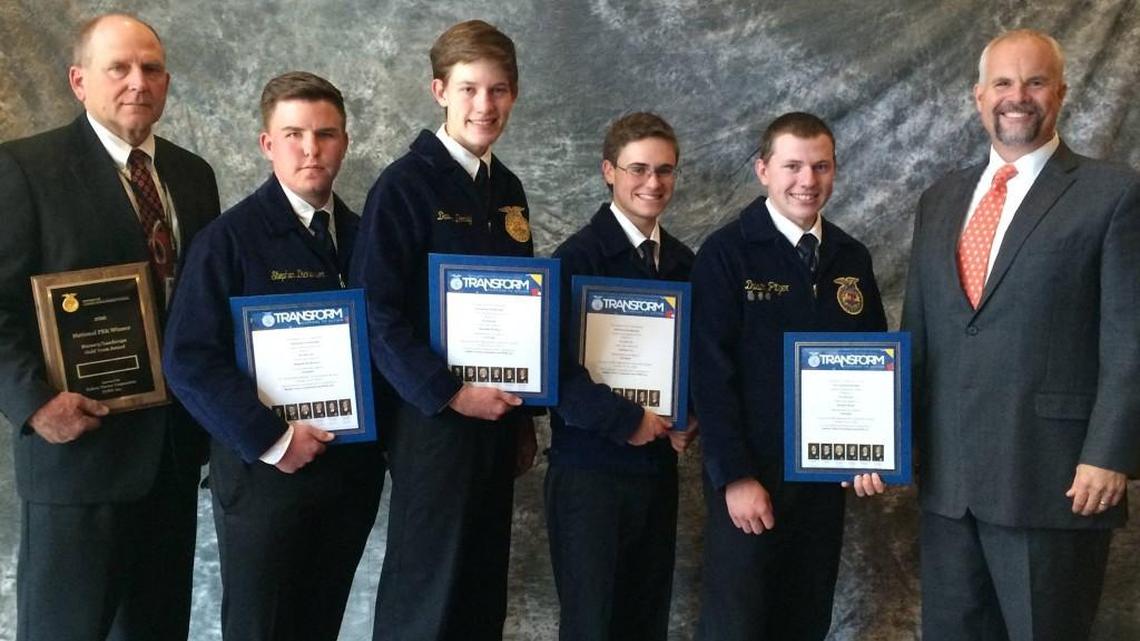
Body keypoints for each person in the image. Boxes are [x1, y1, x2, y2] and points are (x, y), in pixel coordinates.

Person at [901, 29, 1140, 641]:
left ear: (1060, 93)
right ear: (979, 96)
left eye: (1035, 82)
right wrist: (889, 444)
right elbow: (918, 335)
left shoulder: (1115, 193)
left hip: (1054, 478)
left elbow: (1130, 337)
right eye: (1003, 83)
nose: (1018, 96)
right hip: (949, 483)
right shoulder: (939, 199)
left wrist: (1109, 453)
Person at [0, 13, 219, 640]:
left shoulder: (192, 176)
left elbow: (204, 307)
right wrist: (34, 404)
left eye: (151, 68)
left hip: (173, 457)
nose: (137, 82)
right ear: (79, 81)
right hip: (77, 455)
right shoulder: (24, 169)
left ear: (167, 81)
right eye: (117, 68)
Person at [161, 71, 385, 641]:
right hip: (266, 475)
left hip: (349, 475)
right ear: (267, 144)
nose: (311, 149)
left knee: (320, 624)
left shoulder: (365, 238)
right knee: (260, 630)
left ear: (345, 142)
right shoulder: (228, 240)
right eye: (294, 134)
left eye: (326, 134)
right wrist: (274, 439)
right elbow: (188, 359)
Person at [348, 20, 537, 641]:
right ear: (439, 92)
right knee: (426, 593)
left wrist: (524, 417)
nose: (485, 105)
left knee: (480, 592)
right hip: (433, 423)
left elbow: (523, 310)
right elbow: (376, 312)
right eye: (469, 89)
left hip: (497, 419)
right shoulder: (404, 185)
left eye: (499, 90)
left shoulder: (507, 190)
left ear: (513, 95)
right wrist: (450, 393)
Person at [691, 112, 888, 641]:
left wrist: (870, 452)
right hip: (751, 480)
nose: (808, 180)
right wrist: (734, 476)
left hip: (823, 484)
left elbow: (873, 365)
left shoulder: (851, 257)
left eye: (821, 166)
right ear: (763, 170)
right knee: (738, 626)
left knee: (805, 620)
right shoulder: (726, 254)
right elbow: (708, 377)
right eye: (793, 166)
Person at [545, 112, 698, 641]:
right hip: (589, 474)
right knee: (592, 626)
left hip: (656, 473)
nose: (653, 183)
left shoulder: (684, 265)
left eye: (665, 170)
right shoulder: (575, 259)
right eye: (639, 169)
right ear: (609, 171)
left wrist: (689, 414)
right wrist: (627, 419)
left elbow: (695, 361)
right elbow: (553, 373)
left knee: (645, 623)